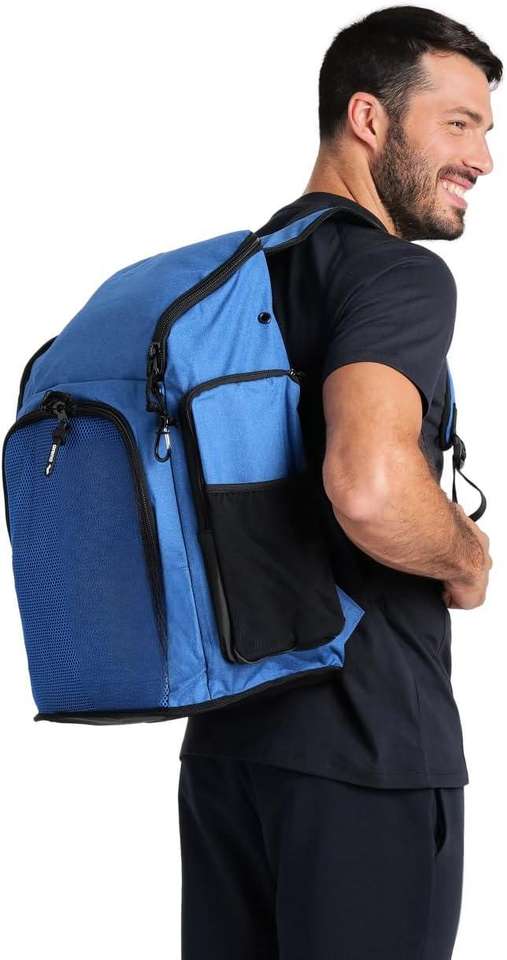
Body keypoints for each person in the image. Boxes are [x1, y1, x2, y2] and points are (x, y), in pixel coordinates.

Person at [177, 7, 500, 958]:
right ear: (368, 118)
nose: (482, 159)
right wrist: (467, 557)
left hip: (227, 749)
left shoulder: (231, 282)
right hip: (369, 751)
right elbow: (366, 487)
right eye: (458, 124)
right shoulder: (394, 275)